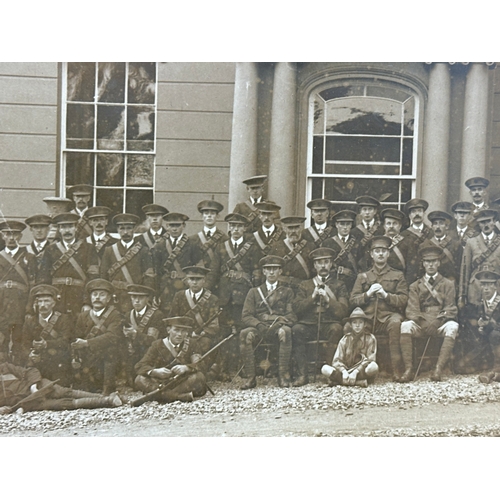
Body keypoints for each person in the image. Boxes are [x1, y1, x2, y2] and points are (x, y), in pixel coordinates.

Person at [209, 213, 261, 377]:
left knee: (243, 331)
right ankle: (225, 369)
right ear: (229, 228)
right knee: (224, 332)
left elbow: (256, 272)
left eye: (239, 226)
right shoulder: (221, 247)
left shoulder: (252, 248)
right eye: (232, 226)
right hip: (225, 296)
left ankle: (244, 368)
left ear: (244, 228)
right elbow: (214, 272)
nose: (236, 229)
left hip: (244, 296)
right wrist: (208, 292)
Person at [350, 236, 408, 381]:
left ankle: (396, 370)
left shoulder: (397, 275)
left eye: (383, 251)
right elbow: (353, 300)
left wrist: (386, 295)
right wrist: (367, 294)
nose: (380, 254)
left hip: (388, 317)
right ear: (371, 254)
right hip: (368, 318)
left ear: (388, 254)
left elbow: (403, 300)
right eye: (377, 251)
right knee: (349, 327)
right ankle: (355, 369)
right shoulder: (363, 276)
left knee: (396, 323)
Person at [399, 245, 459, 382]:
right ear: (423, 263)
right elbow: (412, 310)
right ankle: (409, 369)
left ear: (438, 263)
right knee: (405, 326)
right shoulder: (415, 285)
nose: (431, 265)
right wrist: (424, 322)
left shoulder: (448, 284)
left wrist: (438, 321)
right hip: (422, 323)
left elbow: (451, 308)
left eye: (434, 261)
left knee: (453, 326)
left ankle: (438, 369)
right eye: (427, 262)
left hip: (440, 322)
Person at [291, 247, 349, 386]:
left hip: (329, 322)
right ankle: (302, 375)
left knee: (336, 329)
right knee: (297, 329)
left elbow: (343, 311)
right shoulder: (305, 285)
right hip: (309, 323)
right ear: (315, 265)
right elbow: (297, 309)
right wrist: (312, 297)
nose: (323, 265)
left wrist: (328, 300)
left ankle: (330, 373)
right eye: (319, 262)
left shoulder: (339, 285)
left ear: (331, 264)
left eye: (326, 262)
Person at [239, 255, 296, 389]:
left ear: (280, 272)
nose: (271, 272)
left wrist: (279, 323)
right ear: (263, 272)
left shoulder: (287, 291)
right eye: (268, 269)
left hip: (278, 327)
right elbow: (246, 316)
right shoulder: (253, 292)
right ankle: (251, 378)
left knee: (286, 332)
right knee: (245, 334)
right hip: (259, 328)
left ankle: (282, 376)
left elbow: (291, 315)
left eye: (275, 269)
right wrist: (258, 324)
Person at [39, 212, 100, 318]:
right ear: (59, 229)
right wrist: (47, 300)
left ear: (76, 228)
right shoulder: (50, 249)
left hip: (79, 297)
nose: (67, 230)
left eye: (70, 226)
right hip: (57, 297)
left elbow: (93, 278)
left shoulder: (89, 248)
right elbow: (44, 277)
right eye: (63, 227)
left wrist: (87, 302)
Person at [134, 316, 207, 403]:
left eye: (183, 331)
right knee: (139, 379)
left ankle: (161, 397)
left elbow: (201, 365)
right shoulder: (157, 345)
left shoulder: (192, 344)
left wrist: (187, 367)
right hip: (162, 383)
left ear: (187, 332)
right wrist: (155, 371)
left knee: (199, 377)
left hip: (182, 382)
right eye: (176, 330)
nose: (180, 334)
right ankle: (178, 397)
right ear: (168, 330)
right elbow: (139, 366)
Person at [0, 362, 123, 413]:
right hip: (28, 403)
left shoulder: (5, 367)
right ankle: (107, 400)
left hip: (38, 387)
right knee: (63, 404)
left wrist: (33, 386)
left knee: (64, 392)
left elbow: (31, 371)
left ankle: (107, 397)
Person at [71, 279, 124, 395]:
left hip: (107, 356)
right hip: (89, 357)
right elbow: (77, 337)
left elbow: (112, 337)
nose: (97, 298)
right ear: (90, 298)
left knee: (111, 350)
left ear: (109, 298)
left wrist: (87, 343)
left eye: (102, 295)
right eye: (94, 295)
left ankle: (108, 388)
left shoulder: (115, 315)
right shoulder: (83, 316)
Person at [100, 213, 156, 313]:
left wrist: (146, 299)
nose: (125, 232)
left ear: (134, 229)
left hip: (135, 298)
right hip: (114, 297)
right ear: (117, 230)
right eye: (122, 228)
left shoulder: (143, 251)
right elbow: (103, 276)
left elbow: (149, 278)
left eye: (129, 228)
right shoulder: (109, 250)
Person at [0, 220, 38, 363]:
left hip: (20, 304)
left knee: (19, 341)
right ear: (2, 236)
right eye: (7, 234)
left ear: (20, 237)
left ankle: (19, 372)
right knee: (1, 341)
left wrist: (29, 308)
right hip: (2, 305)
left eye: (15, 234)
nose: (11, 238)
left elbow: (33, 286)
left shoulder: (29, 257)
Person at [22, 284, 73, 386]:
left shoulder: (64, 319)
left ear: (53, 303)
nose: (42, 305)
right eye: (40, 301)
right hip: (37, 365)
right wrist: (30, 355)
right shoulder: (30, 321)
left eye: (46, 301)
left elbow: (66, 342)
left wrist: (46, 345)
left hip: (57, 364)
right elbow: (24, 343)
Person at [152, 212, 201, 314]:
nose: (174, 229)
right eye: (171, 225)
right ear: (167, 226)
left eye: (177, 225)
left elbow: (197, 269)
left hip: (185, 287)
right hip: (166, 288)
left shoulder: (192, 245)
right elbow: (157, 272)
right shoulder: (160, 246)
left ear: (183, 226)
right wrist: (156, 294)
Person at [169, 266, 220, 363]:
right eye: (191, 279)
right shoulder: (179, 296)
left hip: (202, 336)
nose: (194, 282)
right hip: (181, 333)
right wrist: (185, 333)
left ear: (204, 281)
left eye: (198, 279)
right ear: (187, 280)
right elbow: (173, 318)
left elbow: (214, 327)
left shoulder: (212, 299)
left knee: (205, 343)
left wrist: (200, 333)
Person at [321, 307, 378, 387]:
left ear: (365, 324)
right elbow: (336, 361)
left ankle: (341, 382)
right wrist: (344, 372)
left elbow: (370, 360)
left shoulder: (370, 338)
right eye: (354, 322)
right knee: (325, 368)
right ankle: (358, 382)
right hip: (346, 372)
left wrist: (356, 372)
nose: (357, 325)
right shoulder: (345, 339)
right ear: (350, 325)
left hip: (360, 372)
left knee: (373, 367)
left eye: (360, 322)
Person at [122, 284, 163, 386]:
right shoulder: (128, 315)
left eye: (140, 298)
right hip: (133, 352)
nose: (136, 301)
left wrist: (135, 334)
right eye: (134, 297)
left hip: (149, 353)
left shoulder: (156, 315)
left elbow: (152, 341)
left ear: (147, 299)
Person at [459, 209, 500, 307]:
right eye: (482, 222)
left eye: (488, 221)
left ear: (494, 222)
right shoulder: (471, 242)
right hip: (475, 288)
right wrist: (462, 295)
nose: (485, 225)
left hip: (496, 286)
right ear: (478, 224)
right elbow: (465, 270)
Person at [467, 271, 500, 383]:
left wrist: (490, 324)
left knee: (495, 334)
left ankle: (496, 369)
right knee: (462, 367)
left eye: (489, 285)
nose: (486, 288)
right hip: (487, 342)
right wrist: (480, 327)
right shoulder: (481, 304)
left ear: (495, 286)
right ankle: (492, 372)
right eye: (483, 285)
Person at [189, 200, 228, 292]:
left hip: (218, 282)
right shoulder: (193, 239)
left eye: (213, 213)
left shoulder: (225, 239)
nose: (209, 216)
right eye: (206, 213)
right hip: (198, 281)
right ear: (202, 217)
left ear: (217, 216)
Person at [270, 215, 316, 293]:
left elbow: (315, 272)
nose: (293, 231)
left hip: (304, 290)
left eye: (296, 227)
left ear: (301, 228)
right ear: (284, 229)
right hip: (283, 289)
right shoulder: (277, 246)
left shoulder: (311, 246)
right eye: (290, 228)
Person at [323, 210, 360, 293]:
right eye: (342, 224)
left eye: (348, 224)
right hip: (333, 282)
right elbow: (324, 264)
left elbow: (361, 265)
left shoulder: (357, 243)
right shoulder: (327, 243)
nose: (345, 227)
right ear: (336, 225)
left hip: (352, 283)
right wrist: (339, 270)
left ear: (351, 225)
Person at [421, 210, 461, 284]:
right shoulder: (425, 245)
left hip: (449, 284)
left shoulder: (455, 244)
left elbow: (459, 268)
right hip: (430, 284)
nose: (438, 227)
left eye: (441, 224)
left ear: (447, 227)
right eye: (435, 224)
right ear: (432, 227)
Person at [401, 198, 432, 284]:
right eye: (413, 212)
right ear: (410, 215)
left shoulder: (431, 233)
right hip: (410, 279)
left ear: (424, 213)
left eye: (419, 211)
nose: (417, 214)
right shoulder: (403, 235)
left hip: (429, 277)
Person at [351, 195, 382, 272]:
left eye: (370, 209)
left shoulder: (381, 230)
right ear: (360, 212)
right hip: (360, 269)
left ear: (375, 211)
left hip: (378, 268)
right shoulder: (354, 231)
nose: (367, 212)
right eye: (364, 209)